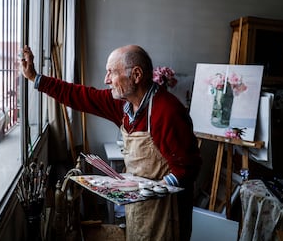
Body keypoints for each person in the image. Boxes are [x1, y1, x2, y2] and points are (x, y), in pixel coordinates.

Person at [20, 44, 202, 241]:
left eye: (111, 73)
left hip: (167, 211)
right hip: (140, 204)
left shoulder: (167, 111)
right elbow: (80, 95)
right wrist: (35, 78)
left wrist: (151, 190)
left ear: (137, 75)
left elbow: (188, 169)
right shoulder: (124, 104)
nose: (106, 80)